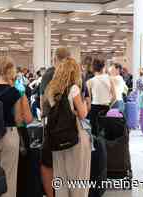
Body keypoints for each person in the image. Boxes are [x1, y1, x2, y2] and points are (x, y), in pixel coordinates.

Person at [0, 57, 33, 197]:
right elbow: (21, 120)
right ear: (10, 70)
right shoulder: (14, 92)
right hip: (9, 135)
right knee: (8, 178)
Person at [44, 57, 91, 197]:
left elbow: (46, 109)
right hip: (74, 136)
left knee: (60, 178)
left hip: (56, 138)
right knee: (78, 179)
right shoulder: (74, 88)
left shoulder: (51, 90)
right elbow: (82, 114)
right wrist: (86, 105)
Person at [39, 48, 70, 197]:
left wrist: (43, 114)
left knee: (47, 162)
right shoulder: (76, 75)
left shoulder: (49, 74)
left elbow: (43, 102)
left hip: (54, 124)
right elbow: (85, 104)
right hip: (73, 126)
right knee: (68, 163)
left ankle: (51, 195)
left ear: (55, 59)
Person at [87, 58, 116, 136]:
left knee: (95, 133)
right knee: (106, 133)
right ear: (104, 67)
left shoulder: (90, 82)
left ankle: (96, 147)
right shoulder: (110, 79)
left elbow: (88, 102)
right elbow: (115, 97)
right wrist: (109, 104)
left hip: (94, 109)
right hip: (106, 108)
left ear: (93, 68)